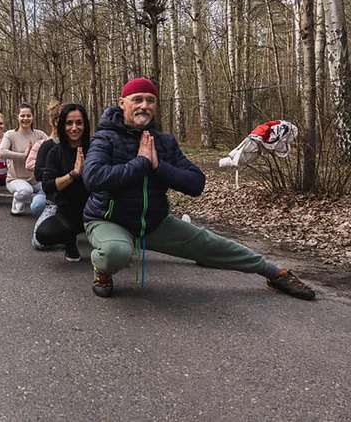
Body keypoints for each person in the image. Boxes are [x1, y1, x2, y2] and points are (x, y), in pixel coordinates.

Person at [83, 77, 316, 300]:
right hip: (108, 219)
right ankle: (102, 271)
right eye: (138, 99)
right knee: (116, 251)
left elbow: (196, 183)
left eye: (150, 100)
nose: (144, 106)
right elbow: (93, 177)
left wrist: (157, 166)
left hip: (153, 223)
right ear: (122, 103)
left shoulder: (163, 142)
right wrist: (140, 163)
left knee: (212, 244)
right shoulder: (105, 138)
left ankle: (274, 273)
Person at [37, 103, 90, 262]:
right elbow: (47, 186)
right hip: (67, 210)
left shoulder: (95, 148)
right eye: (69, 123)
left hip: (96, 209)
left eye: (79, 123)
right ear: (62, 125)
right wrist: (73, 174)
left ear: (85, 125)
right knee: (43, 235)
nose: (74, 128)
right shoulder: (55, 152)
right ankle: (70, 241)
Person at [0, 103, 48, 215]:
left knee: (51, 187)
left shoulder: (40, 135)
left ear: (33, 117)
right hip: (15, 179)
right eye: (22, 116)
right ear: (18, 117)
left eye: (28, 116)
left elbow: (52, 147)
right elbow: (1, 152)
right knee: (26, 190)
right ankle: (18, 200)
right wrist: (23, 155)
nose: (25, 119)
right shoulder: (10, 134)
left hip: (35, 179)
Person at [26, 102, 62, 216]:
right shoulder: (43, 144)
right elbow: (29, 163)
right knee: (38, 205)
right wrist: (52, 167)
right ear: (52, 122)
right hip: (48, 188)